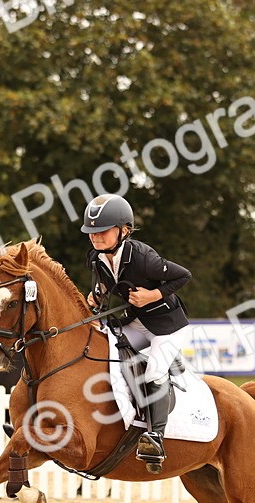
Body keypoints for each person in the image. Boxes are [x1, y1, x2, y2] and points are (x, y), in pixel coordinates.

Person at [82, 193, 192, 470]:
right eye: (92, 232)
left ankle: (156, 437)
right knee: (105, 346)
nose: (95, 237)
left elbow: (184, 275)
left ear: (124, 230)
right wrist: (96, 298)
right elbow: (105, 286)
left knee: (155, 371)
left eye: (102, 231)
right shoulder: (97, 258)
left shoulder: (144, 258)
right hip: (138, 322)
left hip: (168, 328)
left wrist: (154, 294)